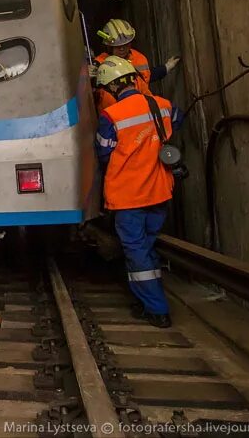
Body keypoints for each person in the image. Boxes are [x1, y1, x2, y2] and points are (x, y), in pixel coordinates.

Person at [94, 55, 184, 329]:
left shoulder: (111, 115)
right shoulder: (162, 106)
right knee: (146, 245)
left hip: (128, 195)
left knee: (136, 251)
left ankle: (157, 309)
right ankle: (147, 300)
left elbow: (103, 152)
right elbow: (176, 121)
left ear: (110, 88)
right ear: (134, 78)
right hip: (159, 191)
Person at [94, 19, 180, 111]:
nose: (122, 48)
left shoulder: (139, 58)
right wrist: (88, 79)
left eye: (126, 44)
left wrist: (166, 68)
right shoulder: (99, 65)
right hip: (117, 115)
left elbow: (146, 77)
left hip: (144, 109)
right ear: (108, 46)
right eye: (118, 46)